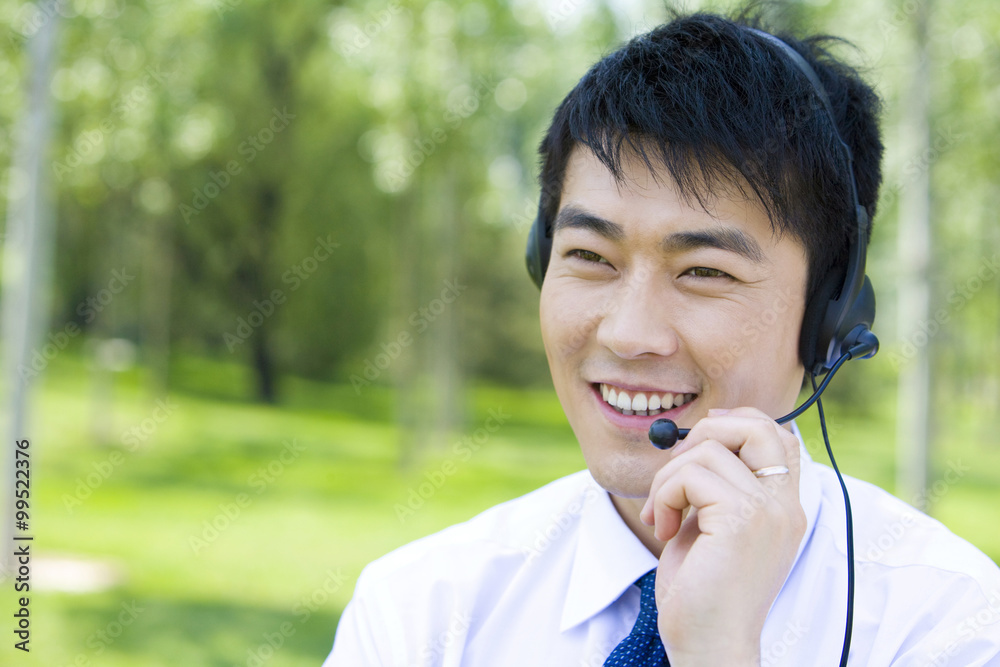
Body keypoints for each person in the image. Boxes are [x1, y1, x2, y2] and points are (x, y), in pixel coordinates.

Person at [324, 9, 1000, 666]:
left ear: (832, 311)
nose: (629, 332)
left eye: (704, 271)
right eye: (591, 256)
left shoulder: (947, 623)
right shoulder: (419, 613)